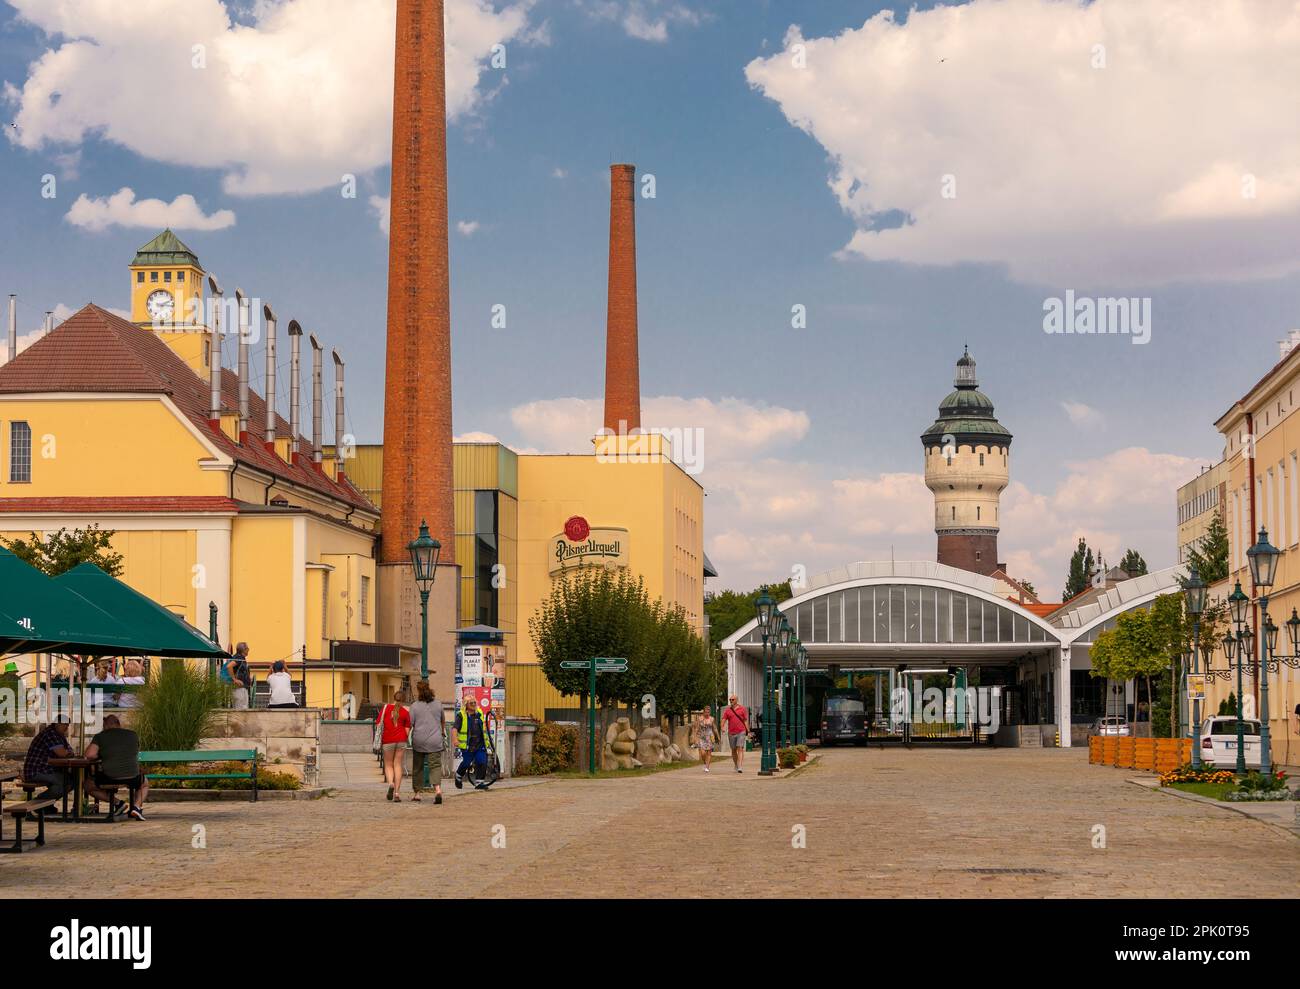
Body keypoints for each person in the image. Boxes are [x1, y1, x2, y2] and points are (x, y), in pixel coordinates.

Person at [83, 714, 149, 821]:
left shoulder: (100, 736)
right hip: (133, 776)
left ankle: (118, 803)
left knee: (87, 785)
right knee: (144, 784)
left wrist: (100, 754)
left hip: (110, 777)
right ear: (118, 723)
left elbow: (89, 755)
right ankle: (136, 807)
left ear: (105, 725)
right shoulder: (133, 735)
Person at [408, 680, 445, 804]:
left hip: (419, 740)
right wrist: (442, 732)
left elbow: (410, 723)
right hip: (435, 740)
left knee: (417, 767)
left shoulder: (414, 706)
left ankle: (417, 793)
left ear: (418, 691)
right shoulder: (438, 704)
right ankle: (438, 790)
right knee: (435, 766)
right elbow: (442, 721)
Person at [22, 717, 74, 802]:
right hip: (36, 771)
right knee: (67, 781)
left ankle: (45, 806)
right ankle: (37, 804)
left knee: (69, 780)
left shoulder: (59, 735)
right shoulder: (50, 734)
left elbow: (70, 750)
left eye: (67, 725)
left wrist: (68, 753)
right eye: (64, 724)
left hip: (46, 770)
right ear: (57, 724)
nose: (66, 727)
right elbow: (62, 753)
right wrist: (67, 753)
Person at [377, 691, 411, 802]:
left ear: (394, 698)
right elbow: (407, 732)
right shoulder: (405, 712)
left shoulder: (385, 709)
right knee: (397, 765)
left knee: (388, 764)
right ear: (404, 700)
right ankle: (397, 793)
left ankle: (391, 783)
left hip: (388, 740)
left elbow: (378, 723)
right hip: (401, 740)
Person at [454, 696, 490, 790]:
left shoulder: (479, 713)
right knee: (466, 763)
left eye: (475, 702)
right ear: (466, 705)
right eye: (471, 703)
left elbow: (484, 727)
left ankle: (479, 782)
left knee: (482, 761)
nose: (474, 704)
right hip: (468, 745)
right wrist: (455, 740)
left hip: (480, 744)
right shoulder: (461, 715)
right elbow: (454, 729)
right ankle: (458, 775)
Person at [721, 695, 749, 774]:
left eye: (732, 699)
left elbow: (745, 720)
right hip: (731, 732)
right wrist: (722, 727)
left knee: (740, 748)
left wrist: (748, 731)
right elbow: (723, 719)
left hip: (741, 731)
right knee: (733, 750)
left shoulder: (742, 709)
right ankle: (736, 765)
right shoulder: (728, 710)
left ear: (737, 700)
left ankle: (740, 766)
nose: (731, 701)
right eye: (730, 700)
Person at [225, 643, 252, 710]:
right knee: (240, 710)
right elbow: (229, 666)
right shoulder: (239, 658)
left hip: (242, 688)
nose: (248, 650)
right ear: (244, 650)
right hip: (239, 689)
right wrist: (235, 679)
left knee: (243, 709)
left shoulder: (240, 658)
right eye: (247, 649)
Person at [693, 706, 718, 772]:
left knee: (709, 752)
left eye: (708, 712)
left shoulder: (712, 719)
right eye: (706, 712)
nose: (707, 713)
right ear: (704, 712)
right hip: (702, 737)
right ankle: (705, 763)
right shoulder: (700, 719)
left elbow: (714, 728)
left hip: (710, 737)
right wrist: (695, 738)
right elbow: (696, 728)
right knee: (702, 753)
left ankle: (707, 767)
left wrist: (718, 736)